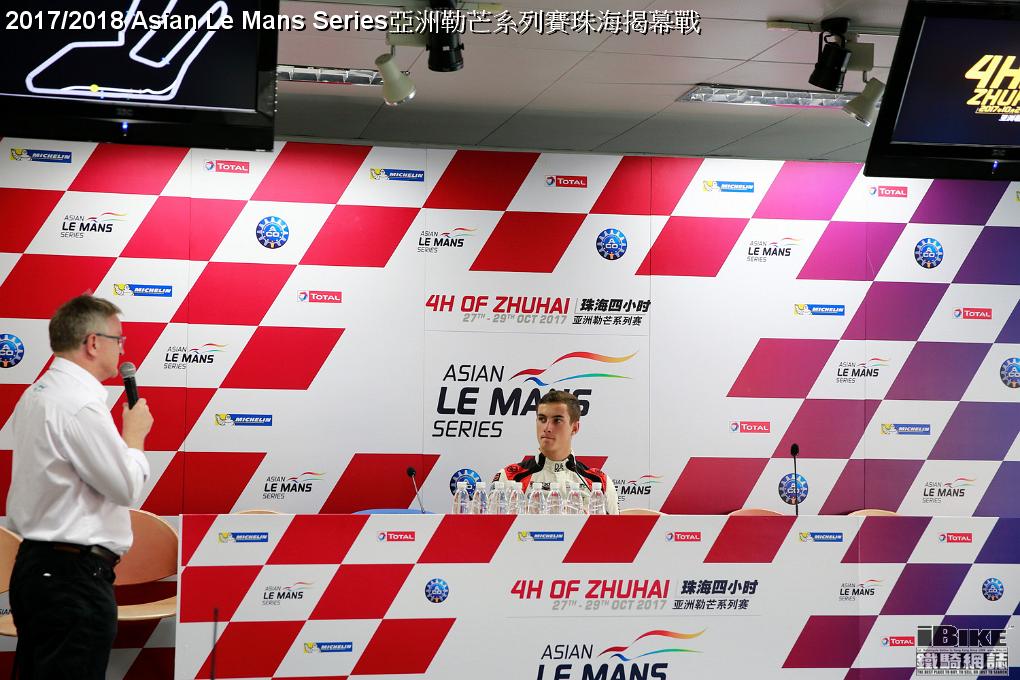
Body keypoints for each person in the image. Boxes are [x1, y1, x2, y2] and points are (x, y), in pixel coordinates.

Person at [8, 295, 153, 680]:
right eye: (118, 340)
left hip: (39, 570)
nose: (123, 350)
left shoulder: (37, 393)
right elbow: (125, 488)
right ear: (92, 343)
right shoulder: (78, 404)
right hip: (72, 580)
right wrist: (135, 438)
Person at [494, 389, 619, 514]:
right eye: (542, 419)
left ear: (575, 428)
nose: (547, 428)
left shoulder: (600, 482)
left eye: (557, 421)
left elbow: (615, 527)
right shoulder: (509, 477)